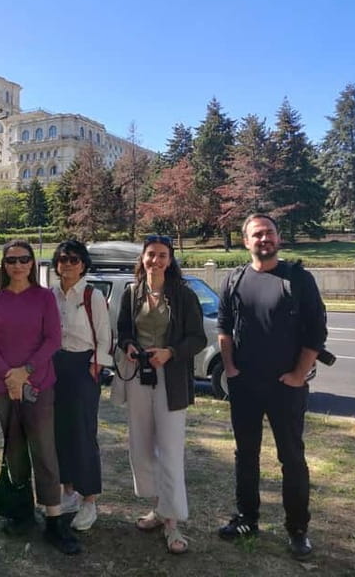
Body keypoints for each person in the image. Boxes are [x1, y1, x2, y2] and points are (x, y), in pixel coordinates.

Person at [217, 213, 327, 558]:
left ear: (277, 238)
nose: (264, 239)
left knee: (292, 459)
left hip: (286, 387)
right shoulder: (234, 279)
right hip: (244, 386)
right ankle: (247, 518)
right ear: (246, 241)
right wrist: (231, 368)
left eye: (269, 233)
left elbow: (316, 332)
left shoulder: (298, 279)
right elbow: (223, 327)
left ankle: (297, 529)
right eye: (257, 234)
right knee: (245, 456)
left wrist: (298, 375)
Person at [0, 240, 80, 555]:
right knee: (16, 452)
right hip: (3, 387)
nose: (18, 265)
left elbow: (52, 339)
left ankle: (53, 520)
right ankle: (21, 514)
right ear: (4, 265)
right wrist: (9, 375)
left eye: (24, 259)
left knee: (44, 451)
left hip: (38, 384)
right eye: (11, 260)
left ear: (32, 263)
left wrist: (26, 371)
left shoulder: (44, 297)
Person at [116, 235, 206, 554]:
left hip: (172, 380)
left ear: (170, 260)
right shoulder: (131, 293)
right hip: (139, 377)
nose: (156, 260)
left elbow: (197, 338)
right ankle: (158, 507)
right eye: (151, 254)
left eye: (162, 255)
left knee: (169, 450)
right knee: (140, 448)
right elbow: (123, 332)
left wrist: (170, 352)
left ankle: (172, 522)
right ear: (142, 258)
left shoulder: (183, 295)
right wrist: (128, 346)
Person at [49, 240, 112, 531]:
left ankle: (90, 500)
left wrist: (95, 367)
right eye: (63, 259)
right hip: (55, 367)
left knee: (84, 433)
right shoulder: (50, 295)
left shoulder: (91, 295)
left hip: (83, 366)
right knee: (59, 431)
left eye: (74, 260)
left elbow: (104, 337)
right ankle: (68, 492)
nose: (68, 264)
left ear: (83, 264)